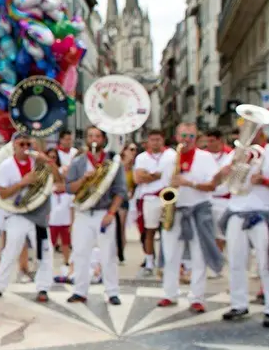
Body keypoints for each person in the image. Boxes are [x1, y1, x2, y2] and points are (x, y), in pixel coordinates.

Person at [220, 131, 269, 327]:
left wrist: (266, 181)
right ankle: (239, 304)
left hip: (263, 214)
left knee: (267, 263)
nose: (247, 135)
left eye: (252, 130)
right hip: (236, 212)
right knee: (236, 262)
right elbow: (222, 187)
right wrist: (226, 172)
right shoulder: (236, 154)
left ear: (261, 132)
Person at [0, 136, 61, 303]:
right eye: (22, 144)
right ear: (14, 146)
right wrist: (23, 182)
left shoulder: (39, 163)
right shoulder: (6, 166)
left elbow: (58, 180)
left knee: (44, 252)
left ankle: (43, 288)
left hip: (39, 215)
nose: (25, 148)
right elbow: (3, 194)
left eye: (29, 144)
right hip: (17, 214)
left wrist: (48, 162)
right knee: (11, 250)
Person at [158, 123, 222, 313]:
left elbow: (212, 186)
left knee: (199, 256)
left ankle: (197, 297)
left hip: (198, 211)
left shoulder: (206, 158)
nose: (186, 140)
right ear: (176, 137)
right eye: (183, 135)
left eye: (191, 136)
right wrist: (172, 184)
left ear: (196, 138)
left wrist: (189, 183)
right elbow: (163, 186)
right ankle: (169, 293)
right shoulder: (168, 158)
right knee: (170, 255)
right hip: (175, 209)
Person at [65, 125, 126, 306]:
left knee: (108, 255)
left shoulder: (113, 163)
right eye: (90, 135)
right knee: (81, 253)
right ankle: (80, 291)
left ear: (103, 140)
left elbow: (120, 191)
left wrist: (111, 213)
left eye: (97, 136)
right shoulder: (78, 163)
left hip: (104, 212)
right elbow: (69, 188)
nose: (93, 139)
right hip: (83, 213)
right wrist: (84, 179)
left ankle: (112, 292)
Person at [133, 130, 174, 277]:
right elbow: (138, 178)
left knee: (168, 230)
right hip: (150, 198)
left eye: (158, 139)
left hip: (168, 197)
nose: (155, 142)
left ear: (163, 140)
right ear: (148, 141)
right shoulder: (142, 157)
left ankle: (167, 261)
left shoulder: (172, 155)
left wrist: (149, 175)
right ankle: (149, 261)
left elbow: (174, 175)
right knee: (149, 231)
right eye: (152, 139)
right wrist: (157, 175)